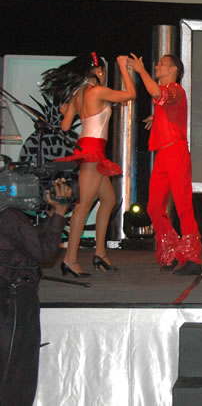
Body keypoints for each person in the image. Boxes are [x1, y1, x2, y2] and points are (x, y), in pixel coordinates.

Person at [40, 52, 137, 276]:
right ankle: (70, 259)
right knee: (83, 207)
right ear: (97, 71)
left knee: (109, 199)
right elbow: (130, 94)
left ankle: (100, 253)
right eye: (102, 69)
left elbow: (65, 127)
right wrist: (123, 67)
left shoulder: (77, 94)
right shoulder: (97, 91)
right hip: (92, 152)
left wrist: (66, 112)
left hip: (92, 151)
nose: (104, 72)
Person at [129, 54, 202, 276]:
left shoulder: (175, 89)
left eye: (161, 64)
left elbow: (156, 92)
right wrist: (157, 118)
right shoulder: (167, 96)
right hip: (163, 155)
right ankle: (170, 251)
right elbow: (162, 102)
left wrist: (141, 71)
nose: (156, 66)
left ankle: (192, 258)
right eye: (157, 63)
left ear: (173, 69)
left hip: (176, 152)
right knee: (153, 207)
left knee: (183, 206)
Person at [0, 179, 72, 405]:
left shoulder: (10, 218)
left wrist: (53, 213)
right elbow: (45, 253)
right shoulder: (9, 216)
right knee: (16, 378)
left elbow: (29, 244)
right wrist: (60, 213)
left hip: (11, 297)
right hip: (14, 301)